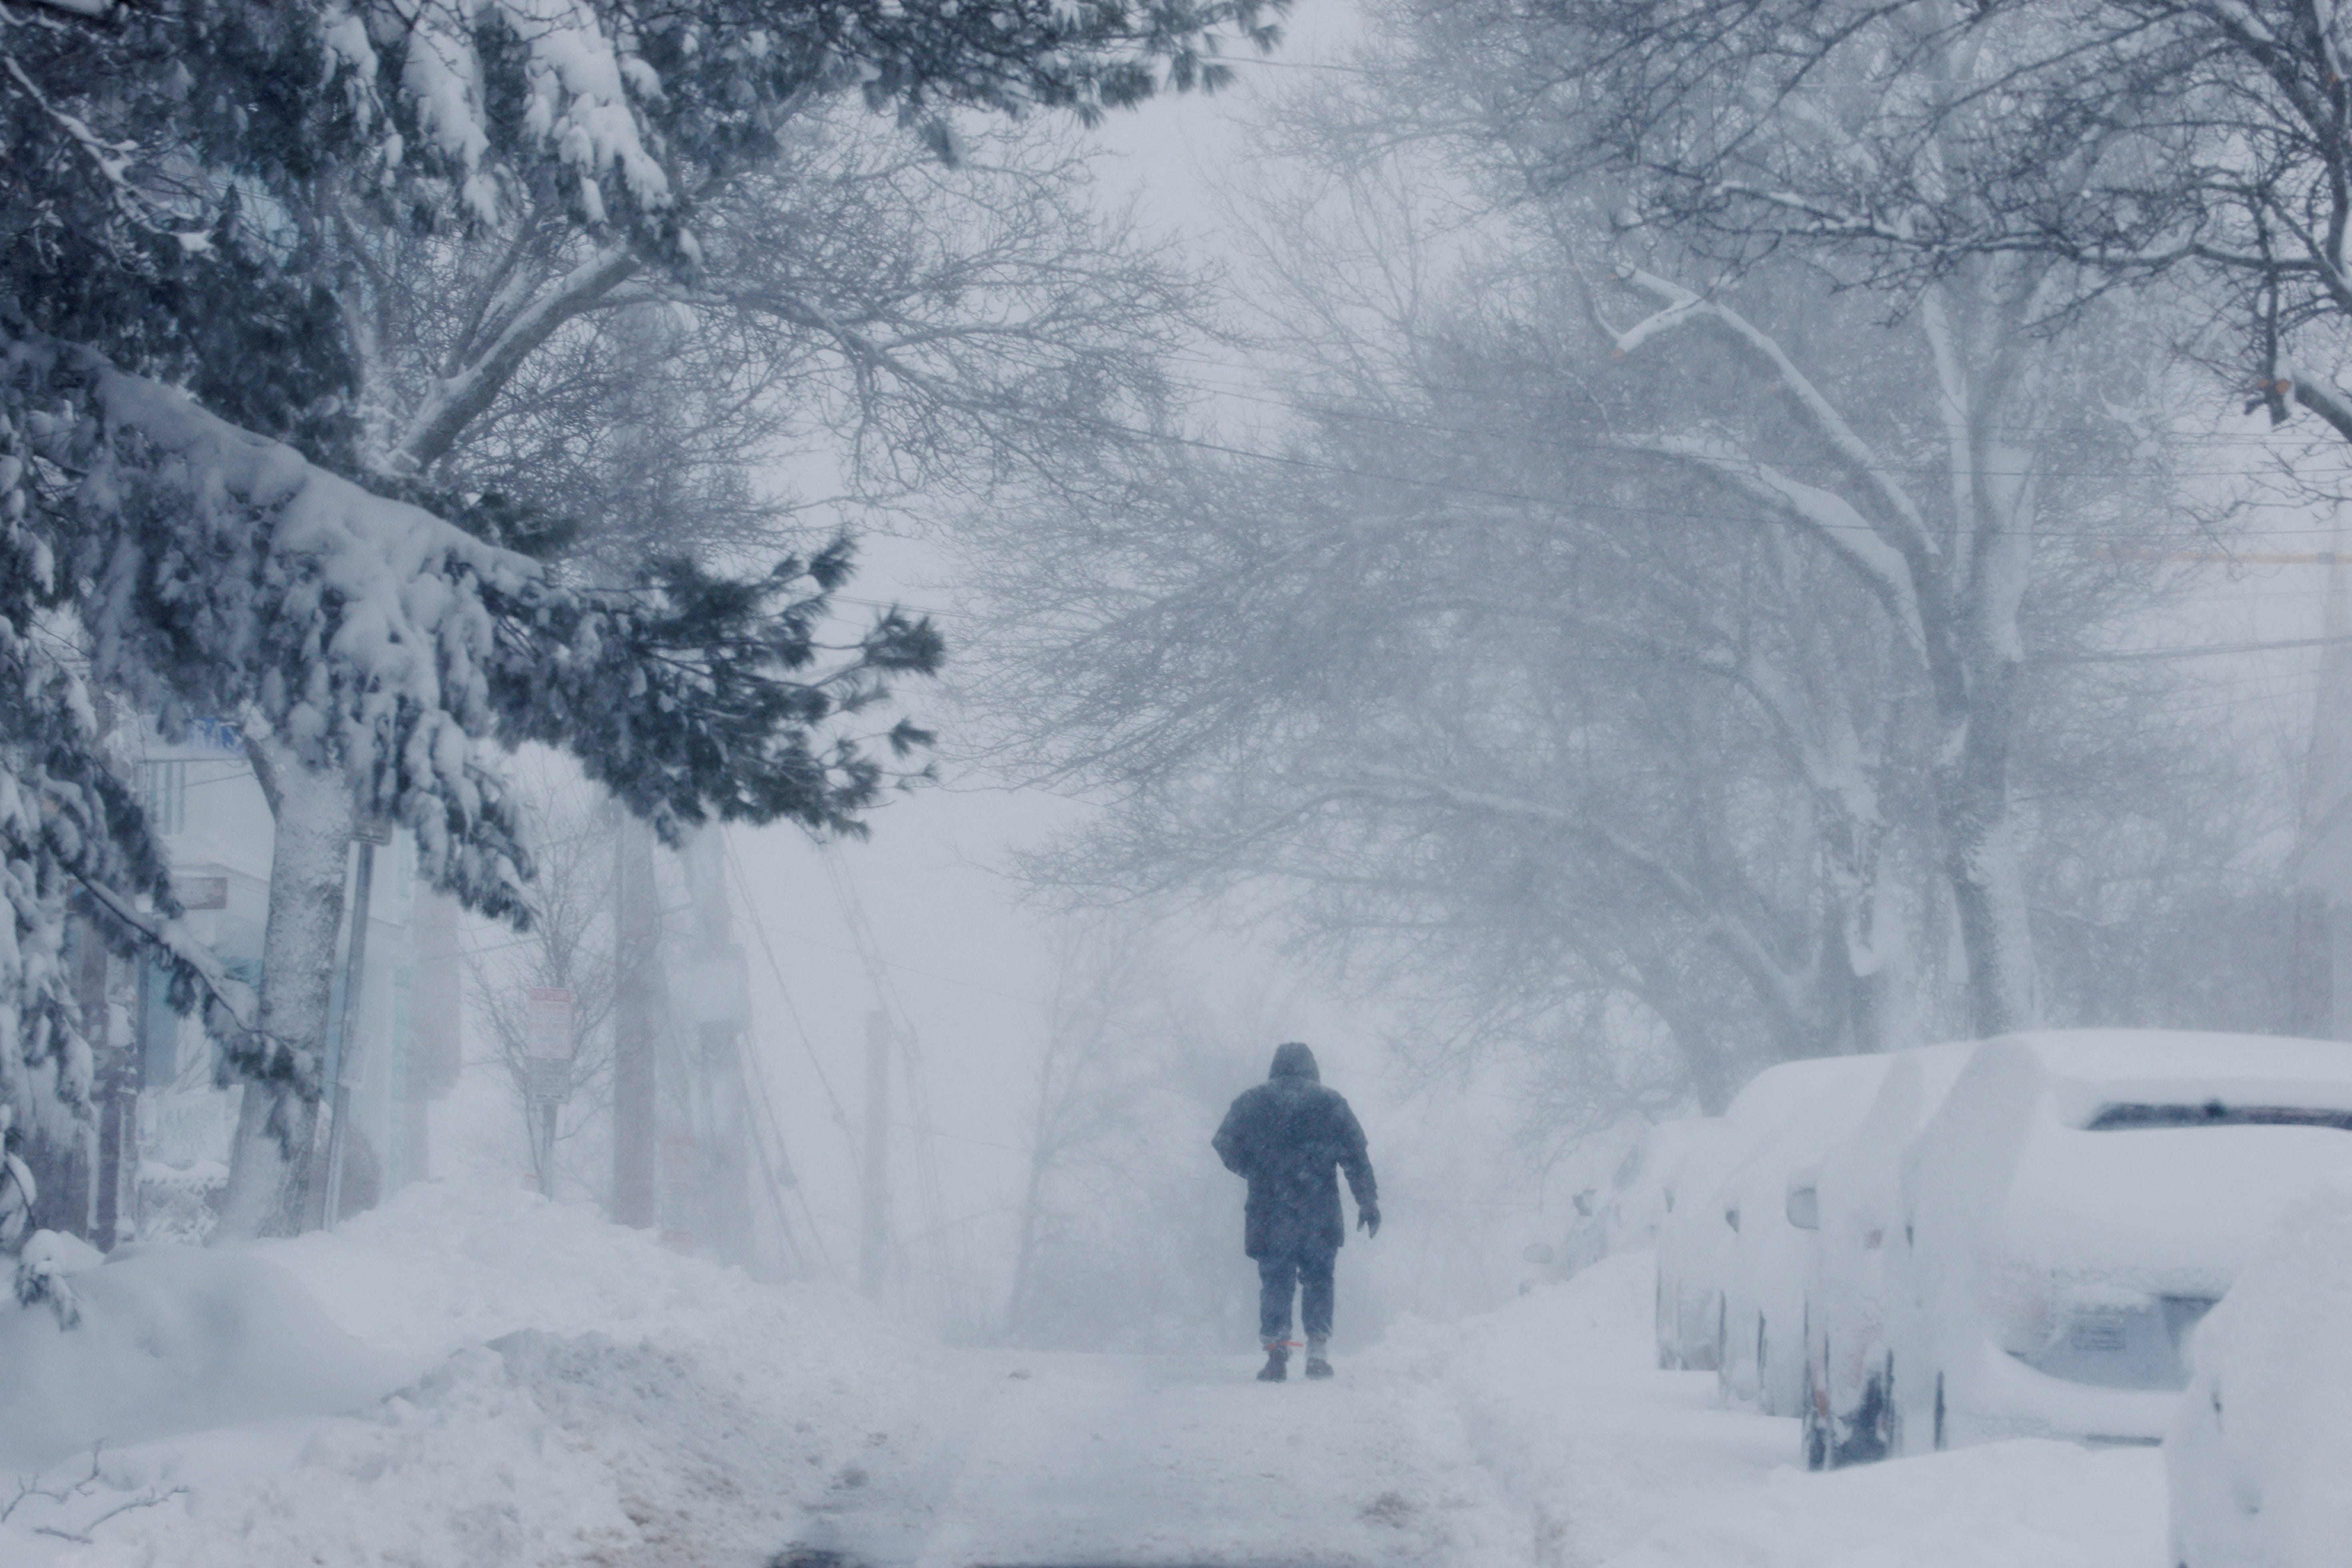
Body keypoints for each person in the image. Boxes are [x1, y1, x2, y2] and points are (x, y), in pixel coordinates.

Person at [1211, 1041, 1379, 1382]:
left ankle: (1277, 1353)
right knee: (1319, 1279)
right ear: (1311, 1067)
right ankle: (1316, 1353)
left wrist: (1254, 1168)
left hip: (1270, 1208)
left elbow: (1224, 1143)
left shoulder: (1251, 1101)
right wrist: (1367, 1201)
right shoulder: (1330, 1102)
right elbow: (1356, 1156)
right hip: (1319, 1208)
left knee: (1276, 1280)